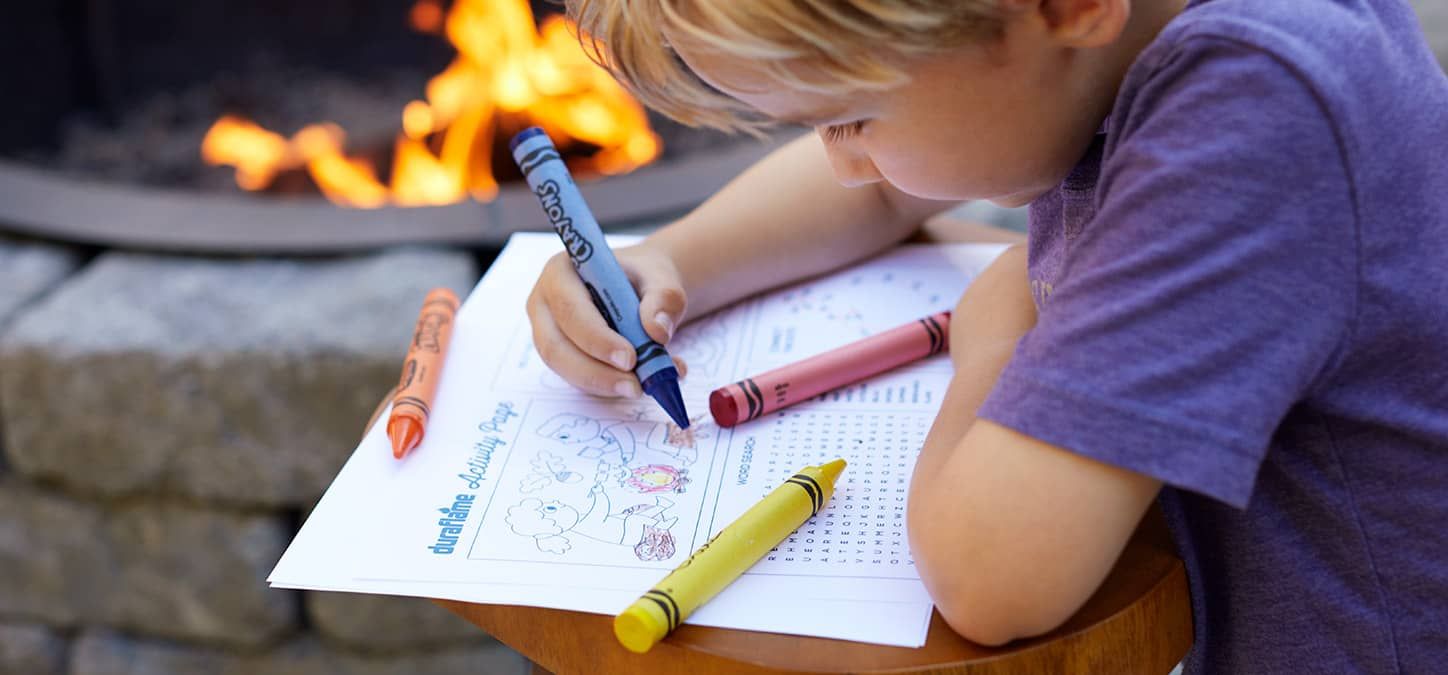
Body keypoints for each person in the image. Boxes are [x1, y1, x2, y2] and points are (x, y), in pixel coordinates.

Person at [524, 0, 1448, 670]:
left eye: (848, 118)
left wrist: (999, 335)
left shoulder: (1256, 112)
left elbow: (992, 577)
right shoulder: (1079, 51)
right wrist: (674, 261)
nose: (842, 163)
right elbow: (893, 181)